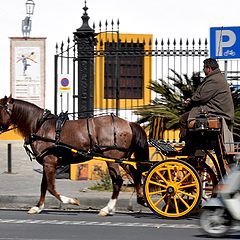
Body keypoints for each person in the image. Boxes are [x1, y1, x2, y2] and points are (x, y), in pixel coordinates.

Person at [179, 58, 234, 153]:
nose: (203, 70)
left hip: (216, 111)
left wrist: (190, 101)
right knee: (187, 117)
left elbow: (201, 97)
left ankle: (189, 146)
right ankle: (192, 146)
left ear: (209, 68)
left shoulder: (214, 80)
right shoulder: (216, 77)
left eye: (204, 68)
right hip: (215, 109)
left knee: (183, 119)